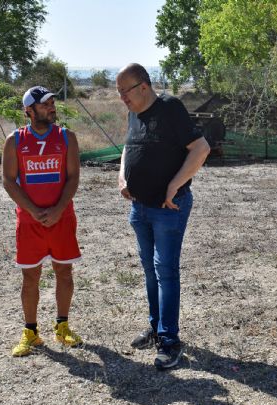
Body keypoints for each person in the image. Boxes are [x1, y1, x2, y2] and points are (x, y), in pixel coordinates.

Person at [116, 63, 211, 370]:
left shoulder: (170, 107)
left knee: (165, 270)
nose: (121, 98)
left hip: (168, 209)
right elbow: (127, 149)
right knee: (149, 270)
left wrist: (174, 184)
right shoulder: (134, 113)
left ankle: (170, 341)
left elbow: (201, 148)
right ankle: (156, 329)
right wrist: (122, 178)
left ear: (143, 86)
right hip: (140, 207)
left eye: (124, 91)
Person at [2, 86, 83, 357]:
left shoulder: (66, 137)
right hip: (29, 221)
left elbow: (72, 177)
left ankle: (62, 326)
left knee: (64, 272)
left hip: (62, 218)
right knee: (30, 278)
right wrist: (33, 211)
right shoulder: (14, 141)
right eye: (45, 104)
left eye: (52, 103)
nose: (52, 107)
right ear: (29, 110)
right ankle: (30, 333)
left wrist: (59, 209)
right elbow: (8, 181)